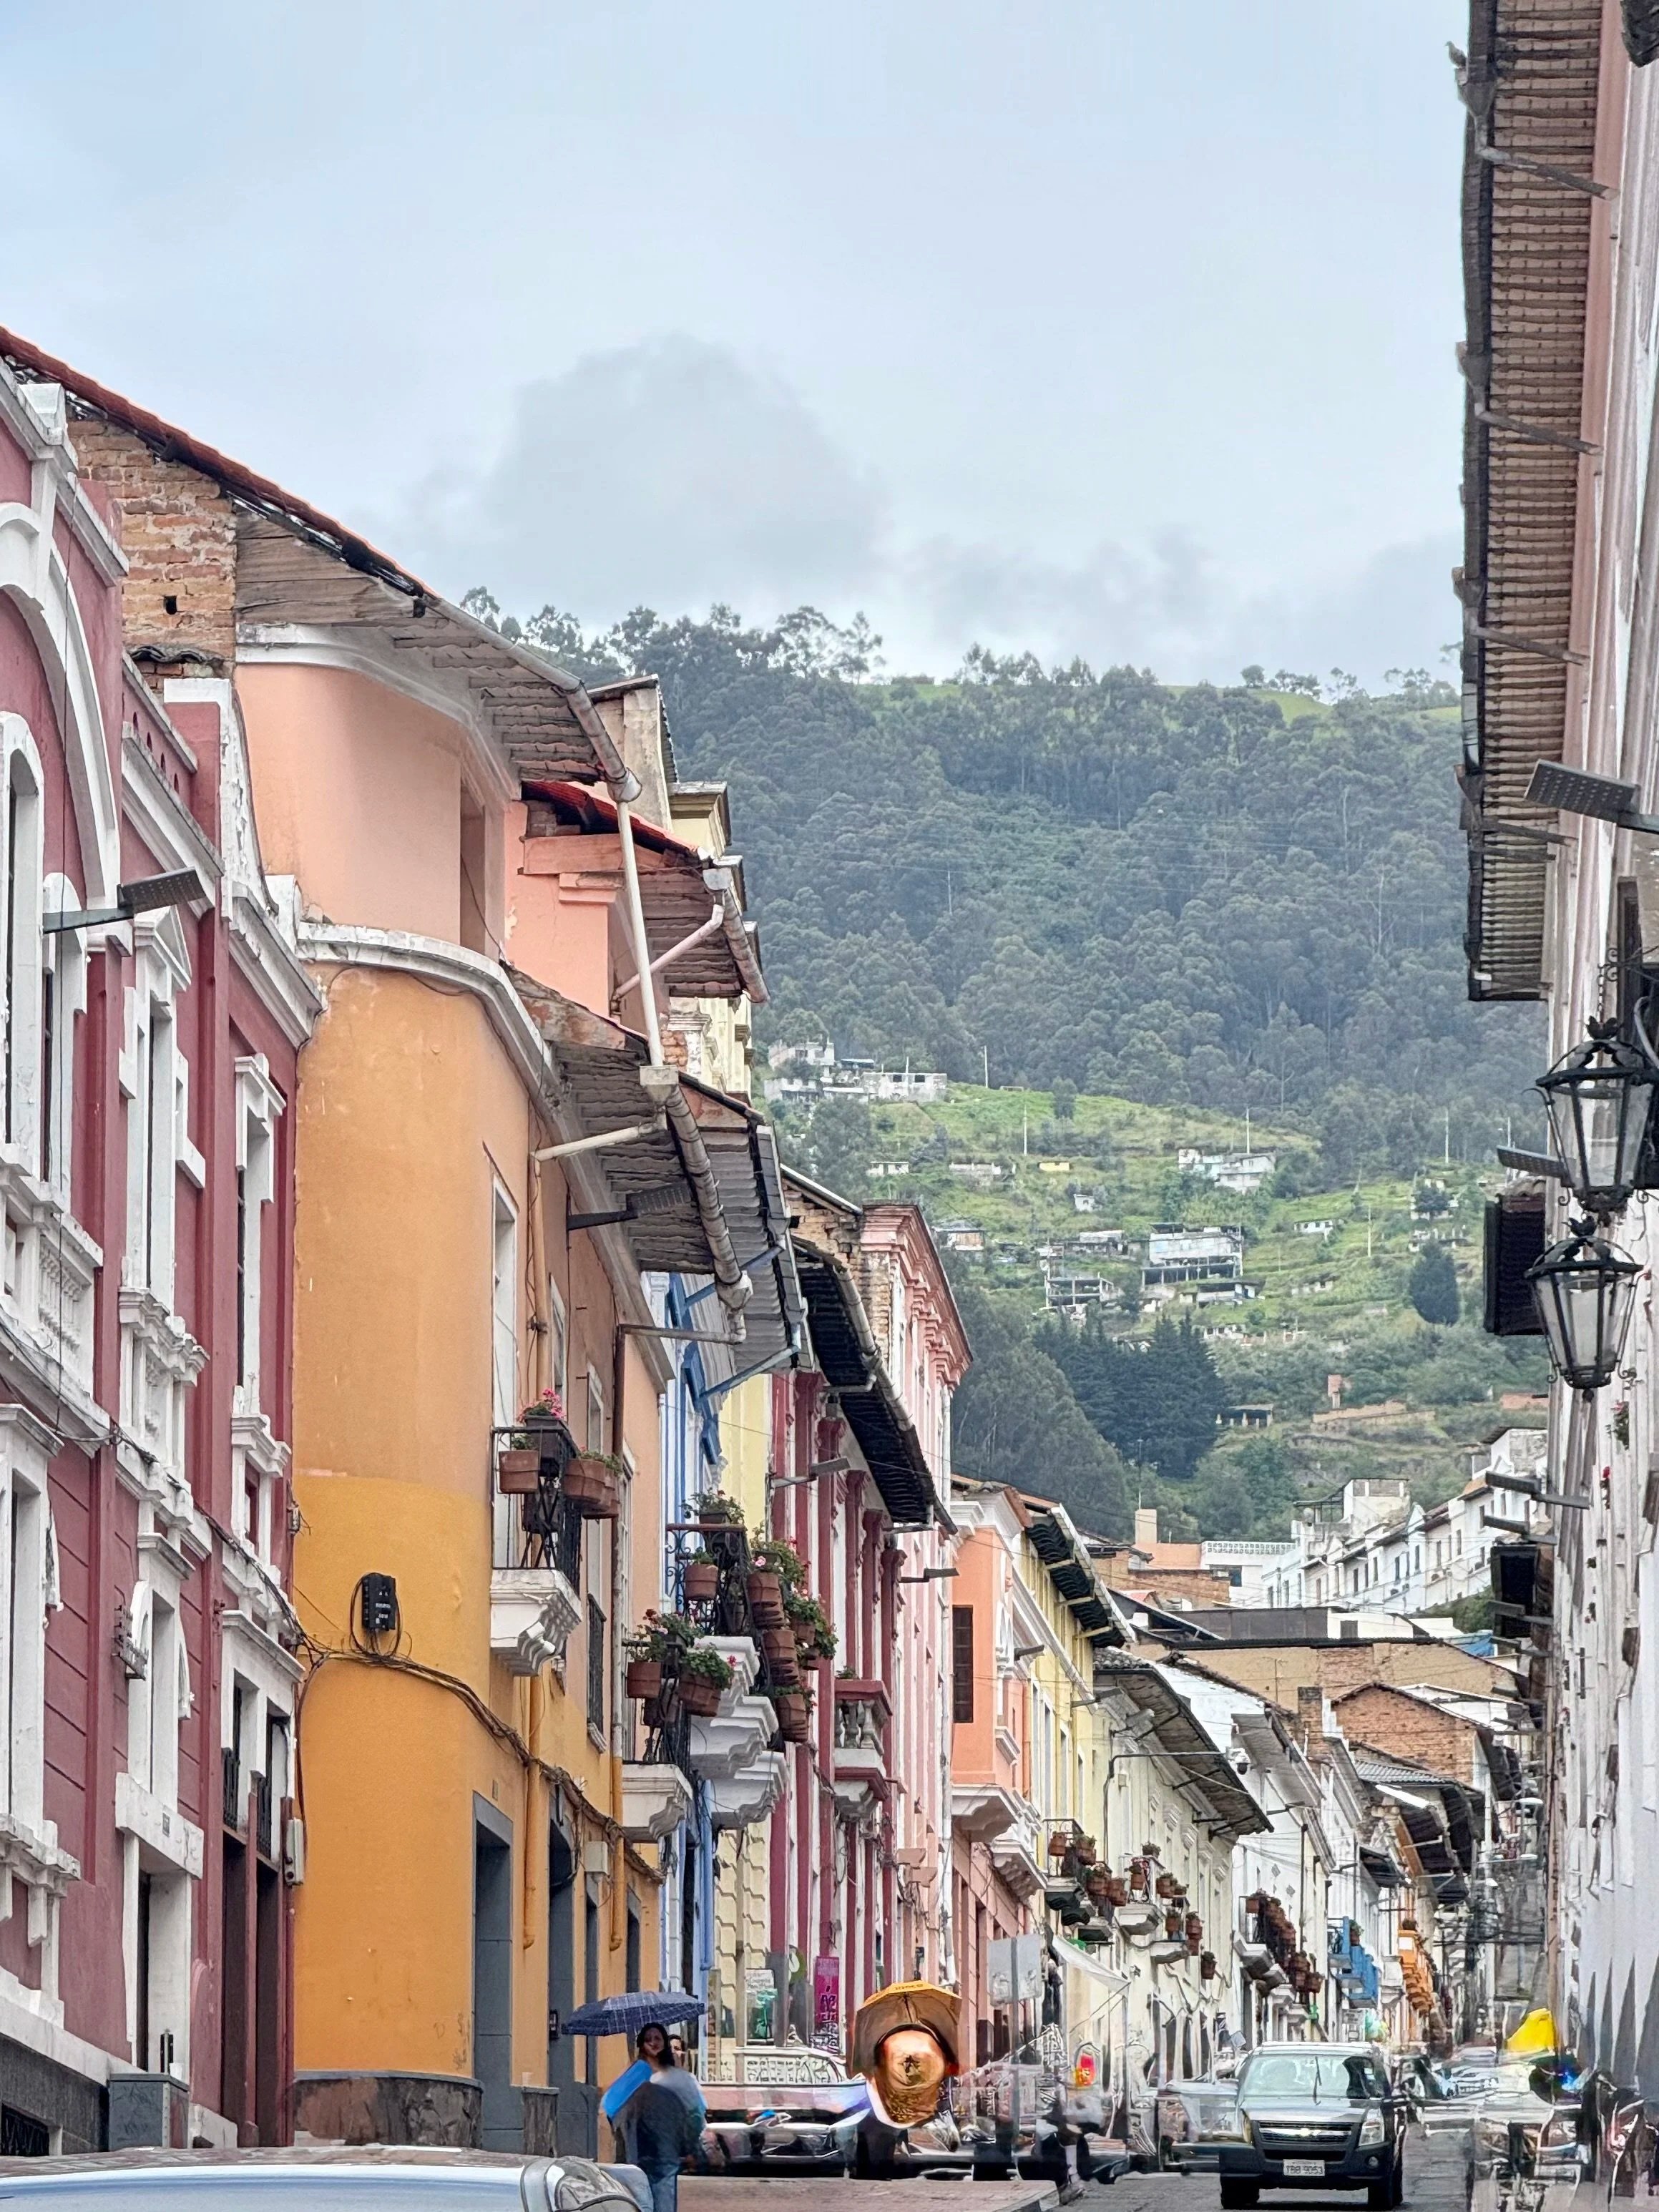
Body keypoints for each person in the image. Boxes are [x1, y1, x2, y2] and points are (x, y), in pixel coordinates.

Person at [629, 2027, 706, 2212]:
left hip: (665, 2153)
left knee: (663, 2202)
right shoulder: (633, 2077)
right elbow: (616, 2107)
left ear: (664, 2043)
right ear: (641, 2044)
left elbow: (695, 2114)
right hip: (637, 2153)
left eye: (657, 2038)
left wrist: (691, 2147)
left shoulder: (679, 2078)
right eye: (648, 2039)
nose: (653, 2042)